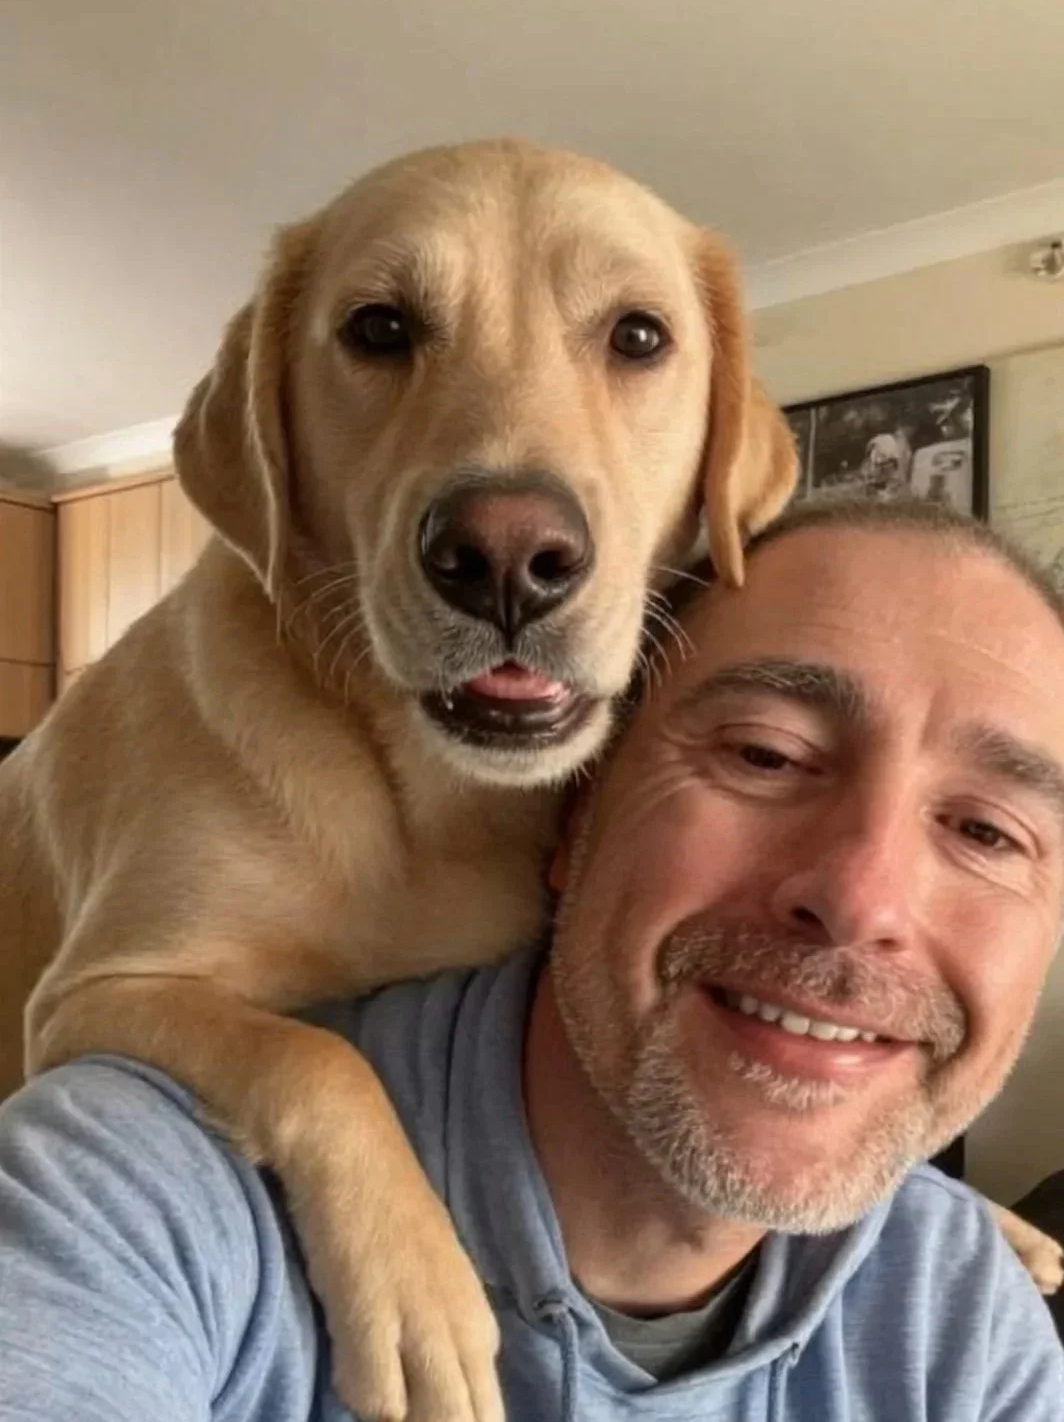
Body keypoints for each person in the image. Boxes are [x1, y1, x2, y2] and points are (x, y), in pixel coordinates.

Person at [1, 497, 1062, 1420]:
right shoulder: (127, 1194)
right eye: (763, 753)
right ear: (572, 809)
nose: (859, 898)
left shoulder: (968, 1323)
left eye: (985, 831)